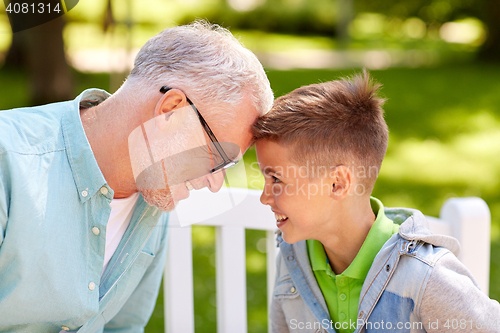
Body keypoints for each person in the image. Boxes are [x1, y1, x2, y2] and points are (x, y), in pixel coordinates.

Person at [0, 21, 273, 332]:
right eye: (218, 159)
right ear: (171, 110)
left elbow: (123, 327)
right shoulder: (8, 163)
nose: (213, 184)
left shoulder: (154, 197)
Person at [252, 71, 500, 333]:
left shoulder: (427, 279)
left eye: (276, 179)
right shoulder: (292, 261)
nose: (264, 197)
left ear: (337, 183)